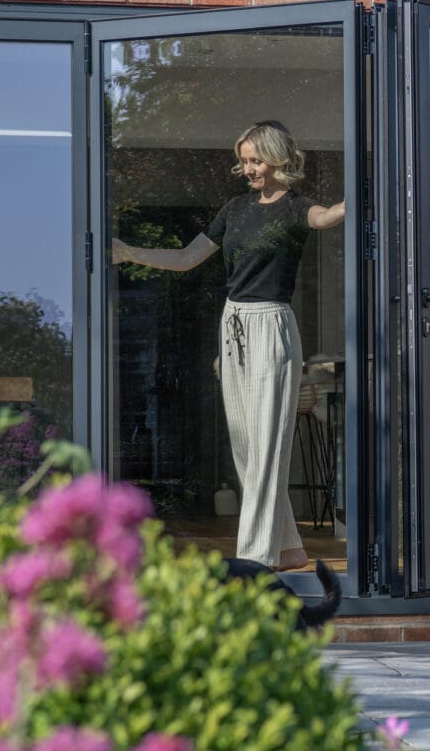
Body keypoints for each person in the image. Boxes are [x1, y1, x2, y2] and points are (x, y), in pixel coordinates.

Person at [112, 120, 345, 572]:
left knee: (266, 444)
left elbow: (324, 218)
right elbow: (185, 258)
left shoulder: (296, 208)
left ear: (277, 159)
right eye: (244, 161)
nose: (248, 169)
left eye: (255, 160)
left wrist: (357, 199)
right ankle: (289, 548)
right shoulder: (235, 209)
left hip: (272, 324)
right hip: (233, 324)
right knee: (244, 444)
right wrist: (128, 252)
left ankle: (255, 557)